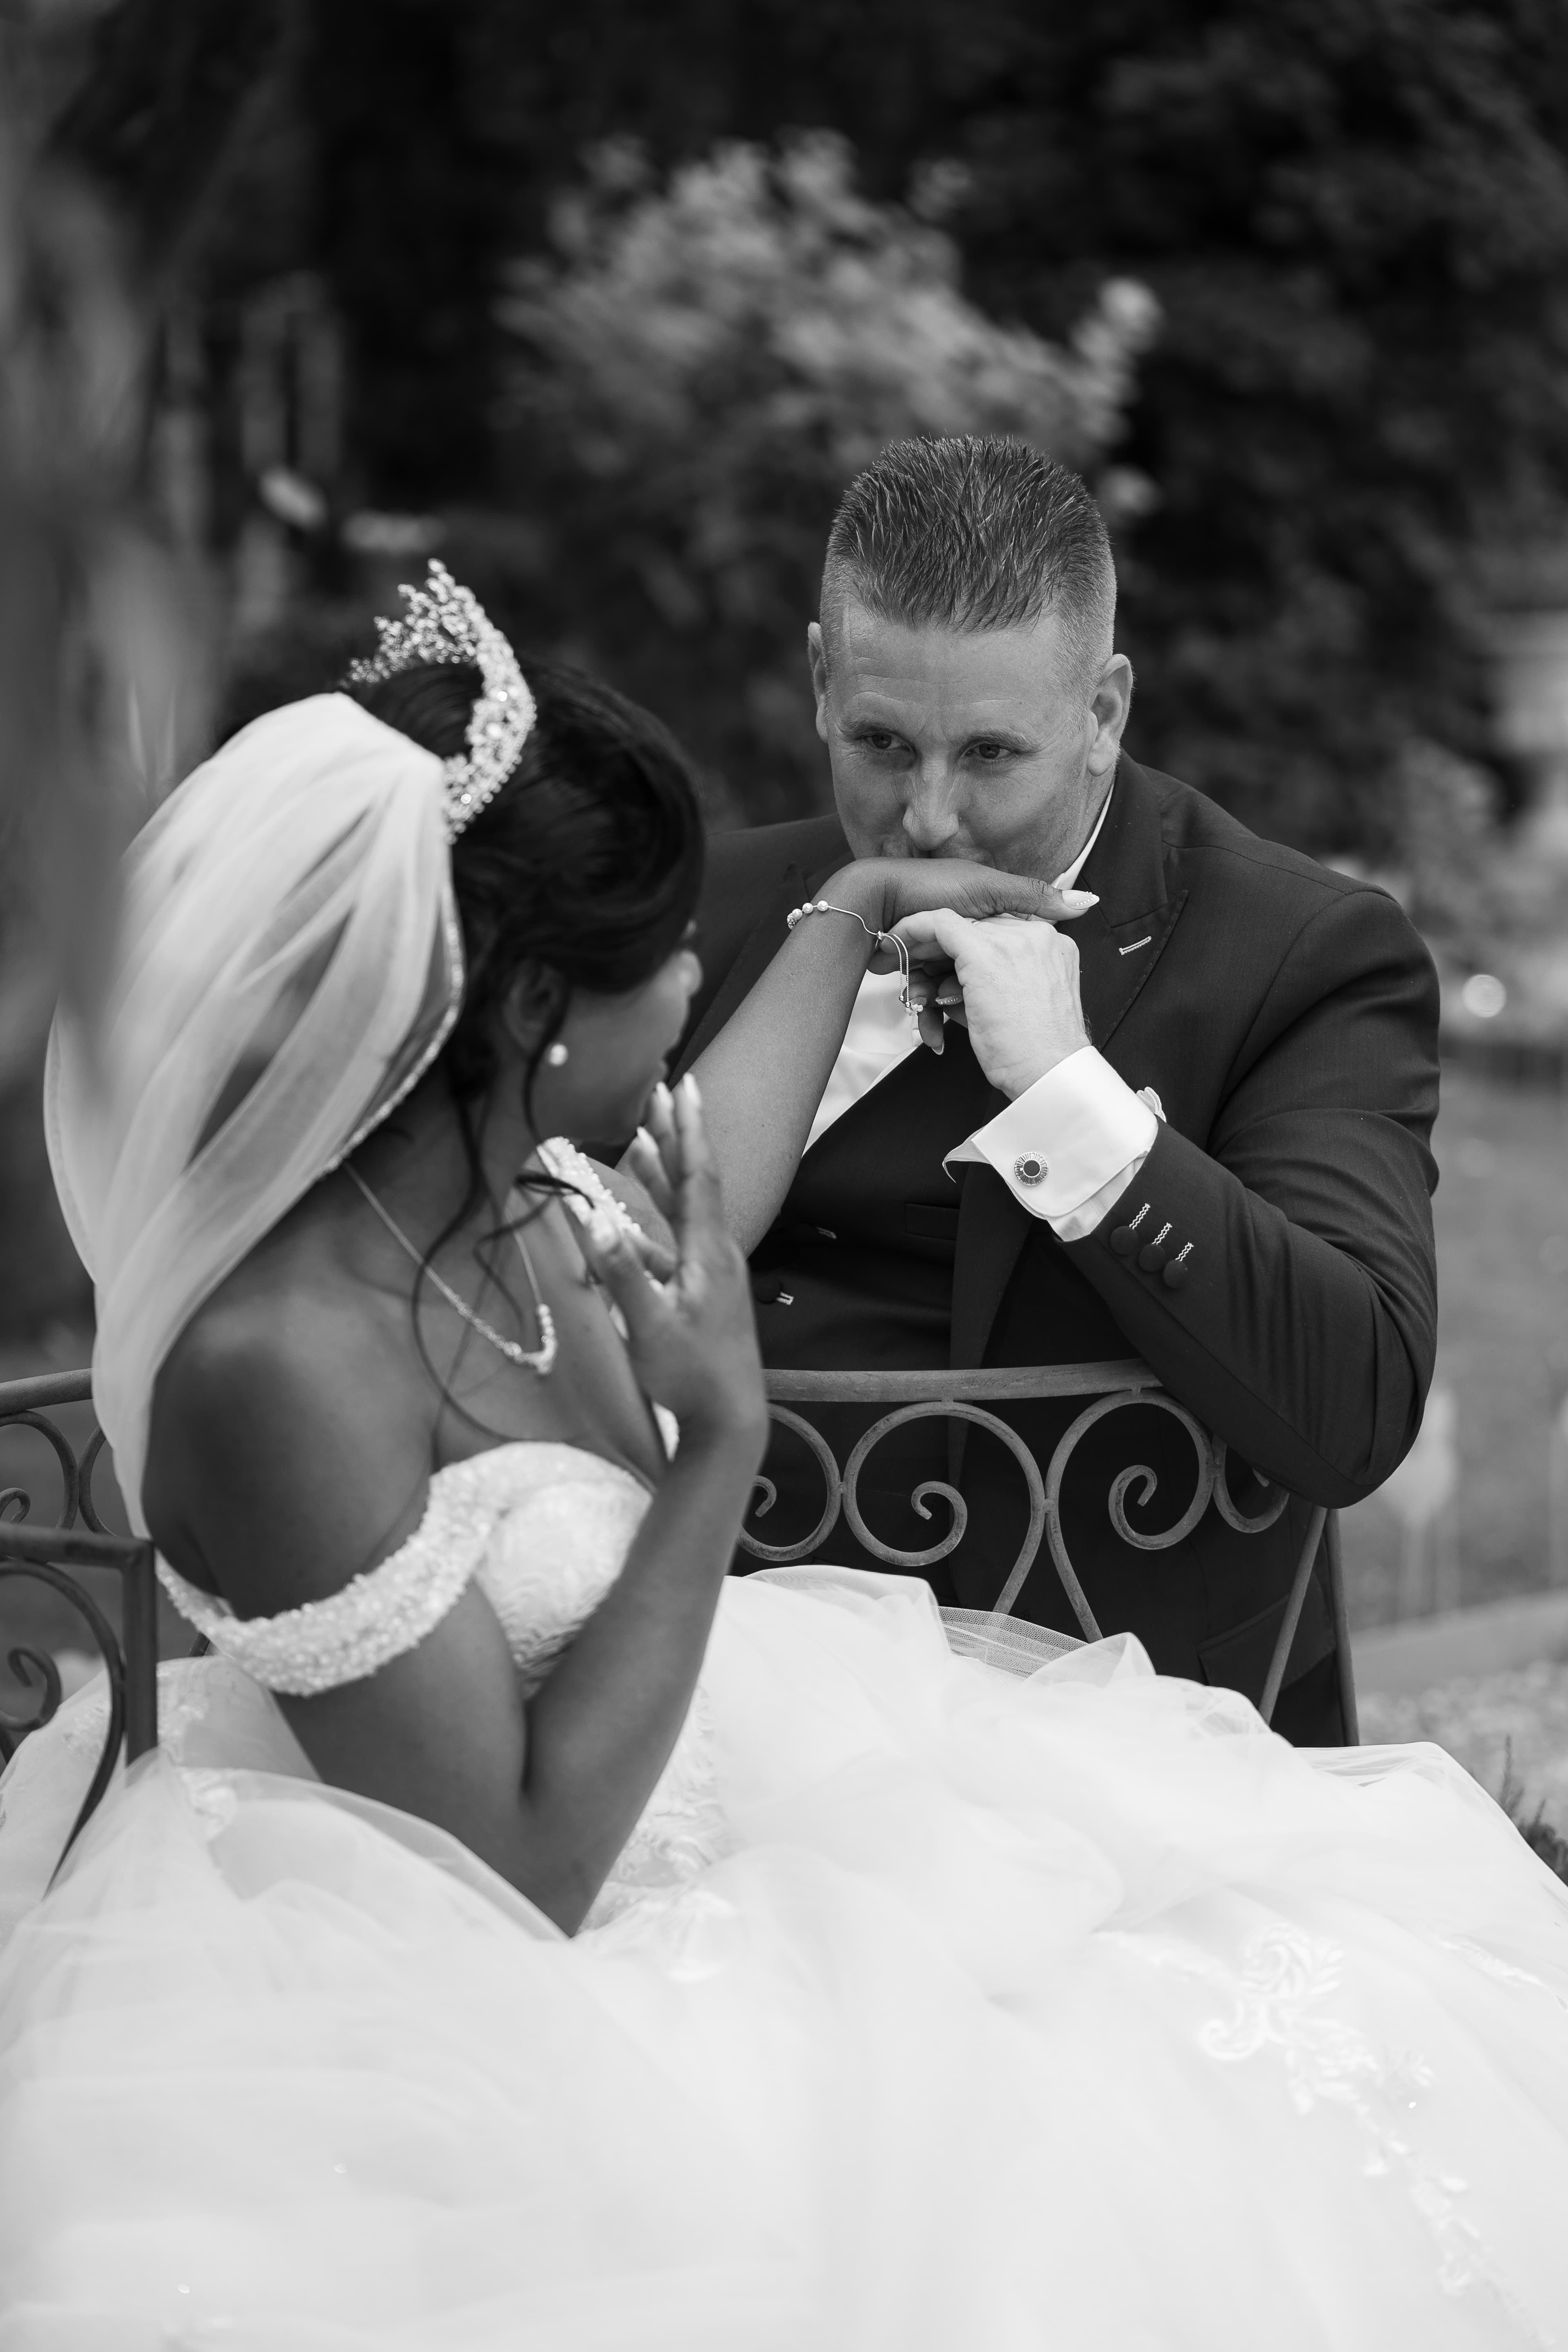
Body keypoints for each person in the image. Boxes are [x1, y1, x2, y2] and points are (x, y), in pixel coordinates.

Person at [2, 566, 1567, 2352]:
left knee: (1265, 2005)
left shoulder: (506, 1209)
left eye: (991, 751)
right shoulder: (289, 1364)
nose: (698, 975)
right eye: (662, 968)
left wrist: (874, 935)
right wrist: (716, 1444)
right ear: (531, 1015)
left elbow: (705, 1188)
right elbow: (512, 1881)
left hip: (752, 1799)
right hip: (490, 1970)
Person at [678, 437, 1439, 1745]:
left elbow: (1351, 1407)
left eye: (989, 754)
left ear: (1104, 713)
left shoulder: (1297, 954)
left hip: (1110, 1731)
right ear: (818, 682)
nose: (927, 817)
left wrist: (1067, 1096)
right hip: (701, 1697)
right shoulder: (706, 906)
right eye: (880, 742)